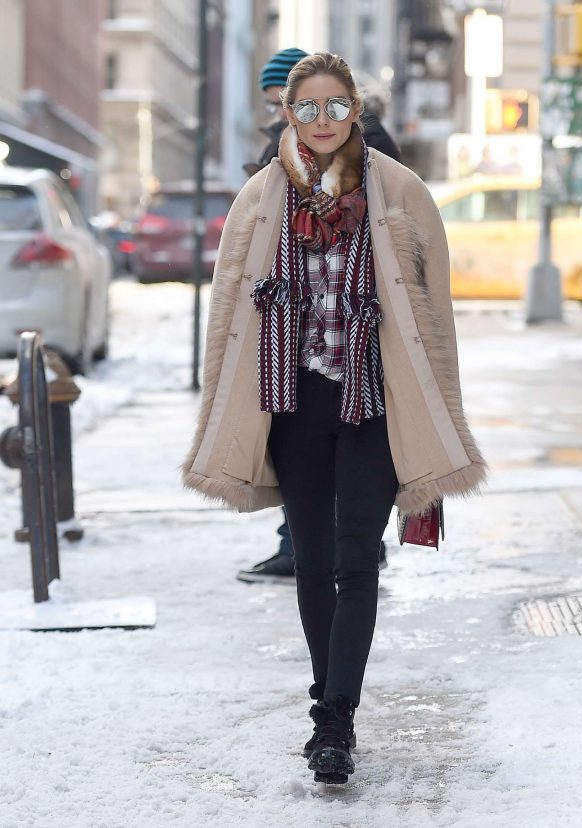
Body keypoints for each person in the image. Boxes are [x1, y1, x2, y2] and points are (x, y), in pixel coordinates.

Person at [183, 52, 486, 784]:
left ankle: (334, 723)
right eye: (309, 108)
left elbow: (435, 316)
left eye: (337, 106)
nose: (324, 120)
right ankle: (329, 701)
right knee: (313, 563)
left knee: (357, 558)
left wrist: (441, 411)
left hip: (373, 401)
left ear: (356, 110)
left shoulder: (401, 191)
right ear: (289, 114)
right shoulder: (261, 196)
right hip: (294, 401)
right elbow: (228, 313)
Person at [237, 49, 400, 585]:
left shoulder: (370, 150)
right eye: (279, 105)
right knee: (304, 461)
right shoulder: (280, 153)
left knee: (355, 473)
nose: (277, 112)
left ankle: (351, 545)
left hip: (360, 340)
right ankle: (306, 546)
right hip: (299, 342)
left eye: (278, 100)